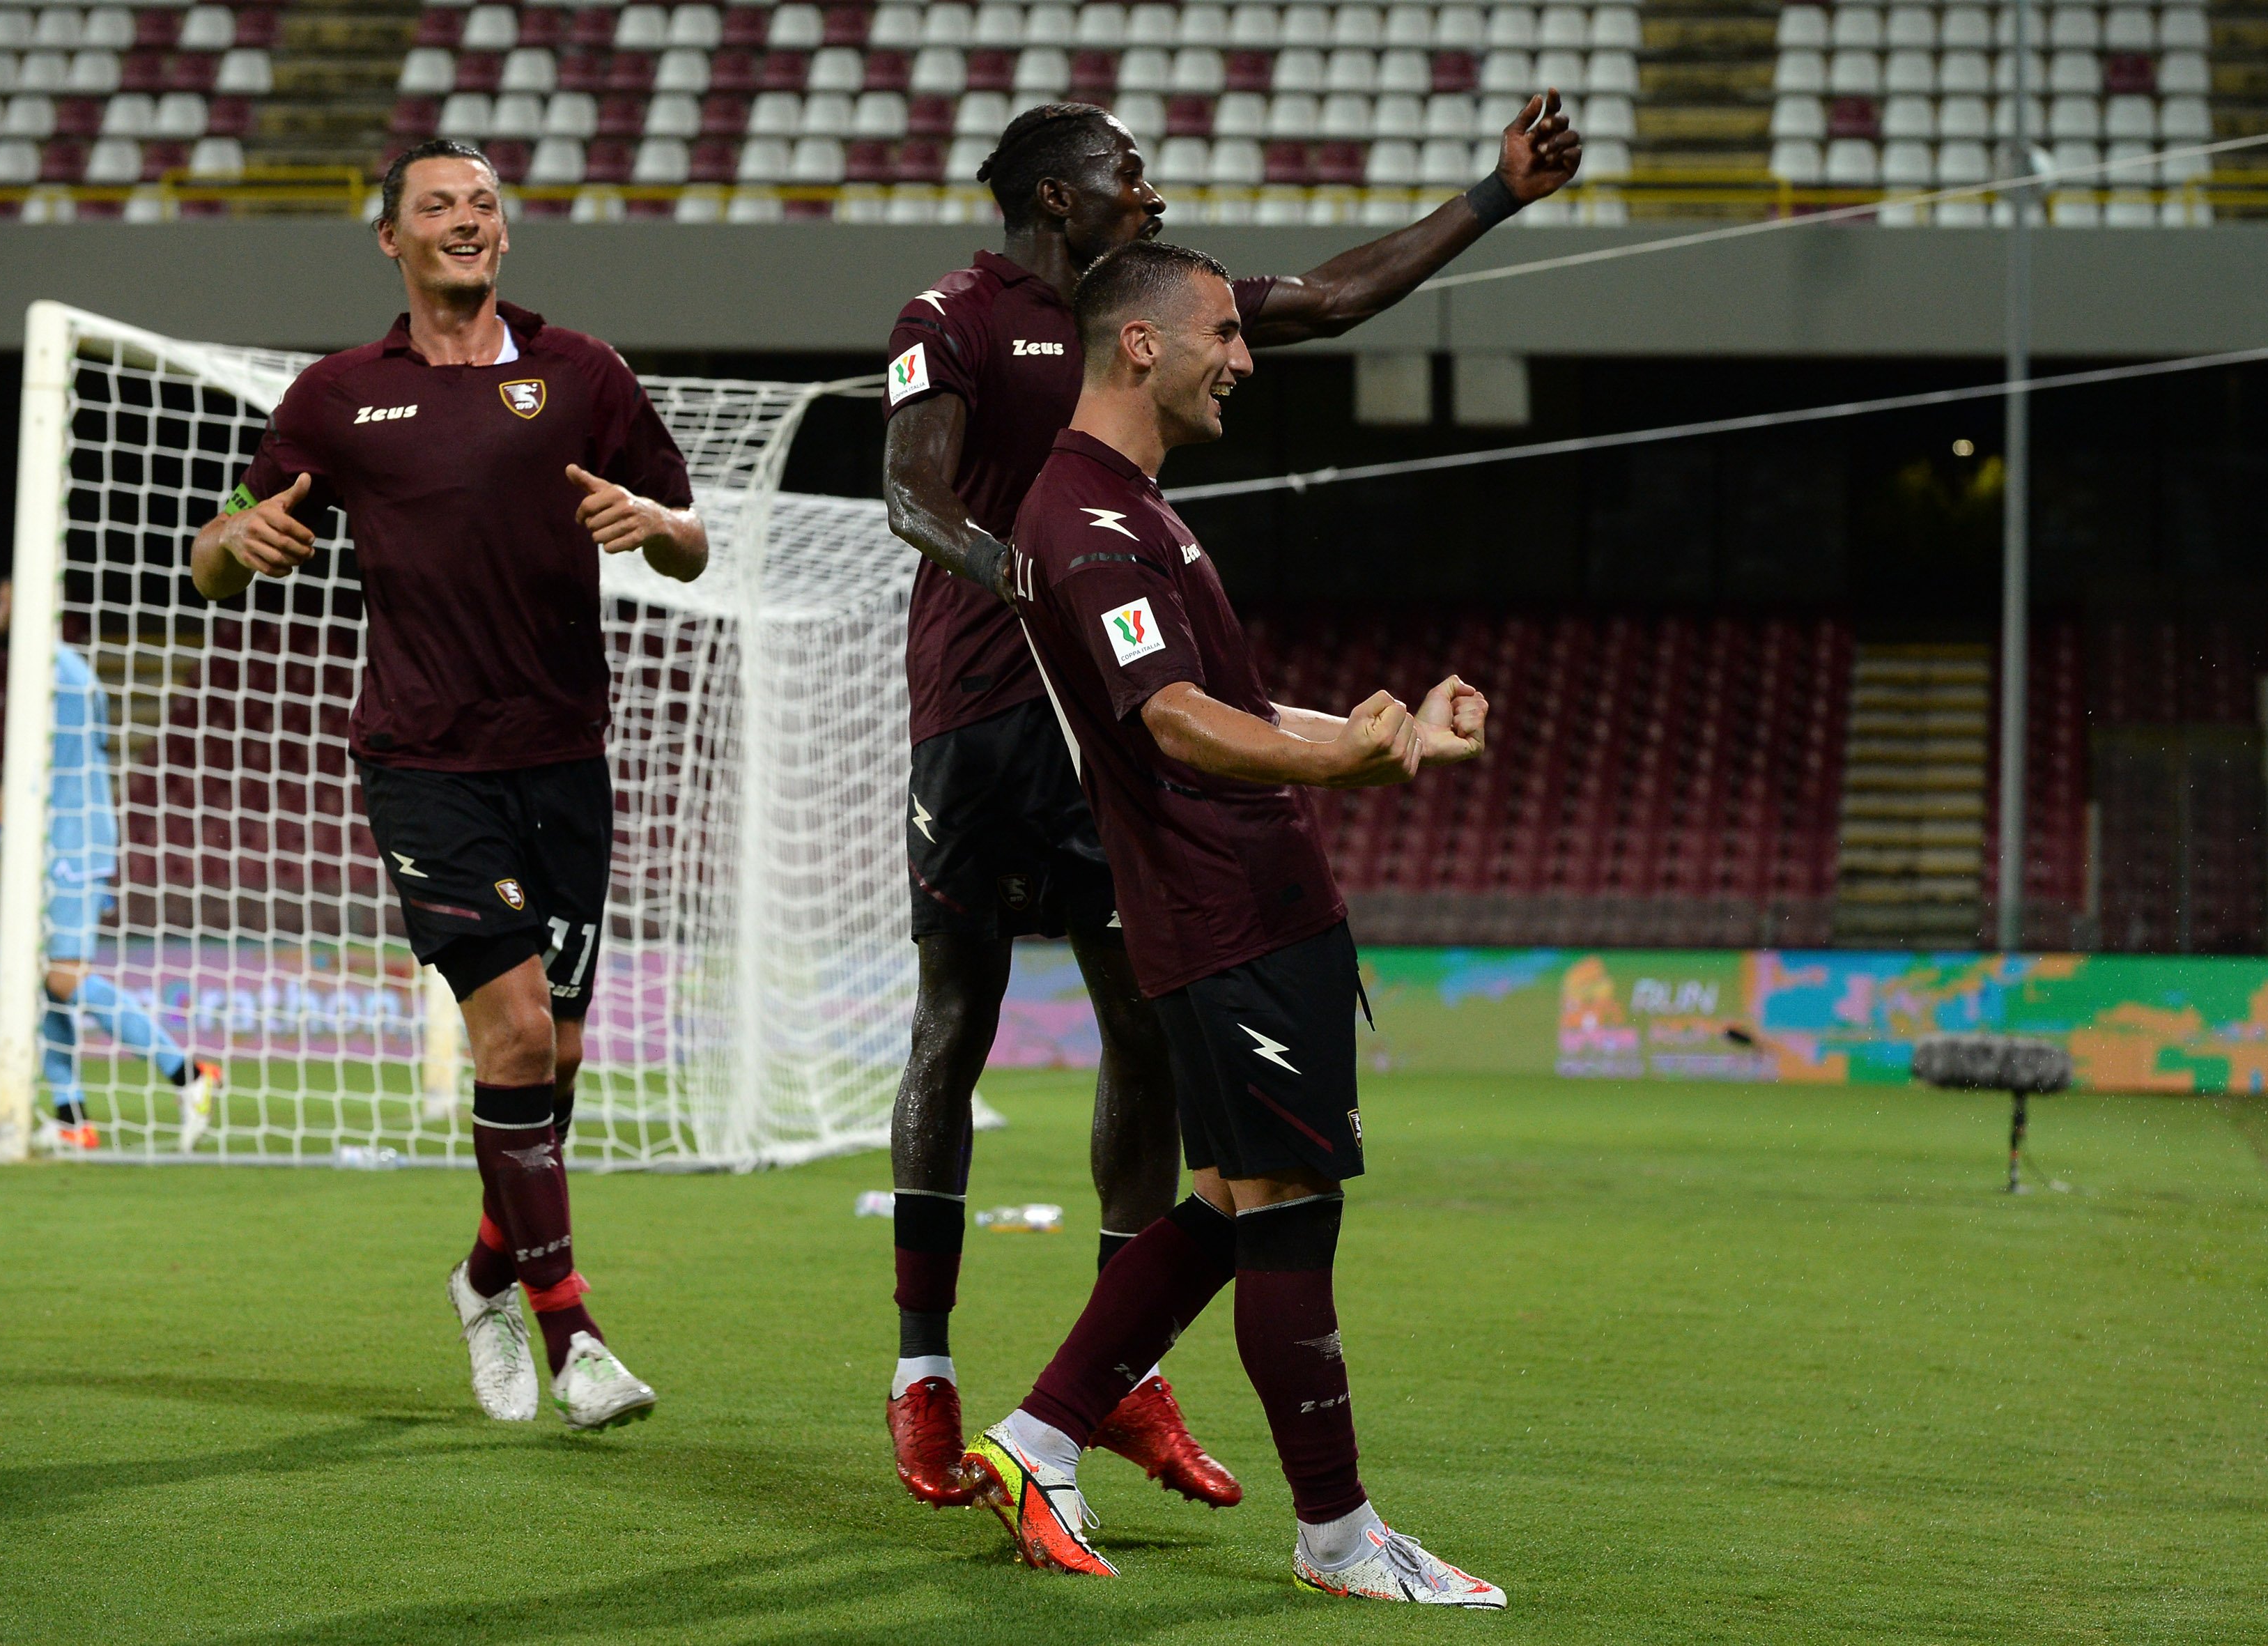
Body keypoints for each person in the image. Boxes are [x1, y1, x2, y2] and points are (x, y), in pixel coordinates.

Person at [879, 92, 1581, 1509]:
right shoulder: (950, 316)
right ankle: (923, 1365)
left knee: (1145, 1029)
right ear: (1055, 194)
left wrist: (1495, 193)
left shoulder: (1158, 302)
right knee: (956, 1019)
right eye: (1124, 172)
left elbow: (1330, 296)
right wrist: (1024, 574)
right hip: (984, 717)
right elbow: (909, 495)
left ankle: (1118, 1380)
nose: (1148, 191)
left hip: (1107, 726)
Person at [966, 240, 1499, 1604]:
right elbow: (1176, 720)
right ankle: (1337, 1534)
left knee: (1222, 1204)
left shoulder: (1126, 506)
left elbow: (1238, 708)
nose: (1245, 357)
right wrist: (1344, 765)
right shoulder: (1087, 519)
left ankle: (1037, 1436)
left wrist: (1399, 735)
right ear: (1139, 344)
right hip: (1225, 909)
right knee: (1288, 1208)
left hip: (1237, 905)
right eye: (1223, 332)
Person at [189, 138, 705, 1433]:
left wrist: (660, 529)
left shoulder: (581, 372)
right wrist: (238, 541)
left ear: (504, 232)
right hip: (423, 760)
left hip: (565, 755)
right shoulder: (337, 396)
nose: (466, 219)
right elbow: (215, 553)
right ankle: (572, 1335)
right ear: (391, 238)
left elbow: (692, 537)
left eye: (483, 203)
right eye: (438, 205)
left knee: (558, 1055)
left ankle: (482, 1278)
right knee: (517, 1034)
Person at [0, 577, 223, 1153]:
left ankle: (187, 1073)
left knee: (64, 974)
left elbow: (38, 768)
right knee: (46, 978)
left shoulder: (59, 675)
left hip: (72, 839)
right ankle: (71, 1117)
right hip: (64, 838)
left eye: (1, 601)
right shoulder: (57, 672)